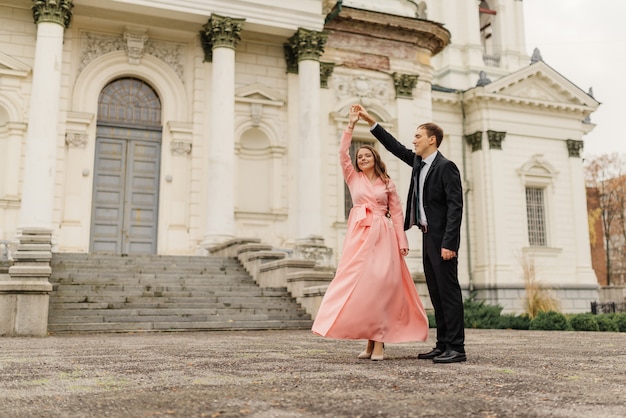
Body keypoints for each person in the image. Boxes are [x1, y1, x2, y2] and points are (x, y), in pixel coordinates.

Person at [311, 105, 429, 361]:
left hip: (383, 236)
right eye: (359, 157)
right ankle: (369, 342)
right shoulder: (353, 178)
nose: (362, 158)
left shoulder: (388, 183)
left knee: (380, 288)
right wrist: (351, 125)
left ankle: (378, 344)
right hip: (358, 236)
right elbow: (342, 152)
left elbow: (397, 214)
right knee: (361, 288)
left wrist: (402, 240)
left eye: (367, 155)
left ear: (375, 158)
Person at [355, 104, 466, 364]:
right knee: (436, 293)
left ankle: (457, 348)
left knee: (449, 293)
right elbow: (394, 147)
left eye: (418, 136)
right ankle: (442, 345)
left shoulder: (446, 167)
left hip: (443, 240)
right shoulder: (418, 162)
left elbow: (455, 207)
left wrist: (450, 243)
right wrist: (371, 122)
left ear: (432, 140)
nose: (413, 140)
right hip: (427, 236)